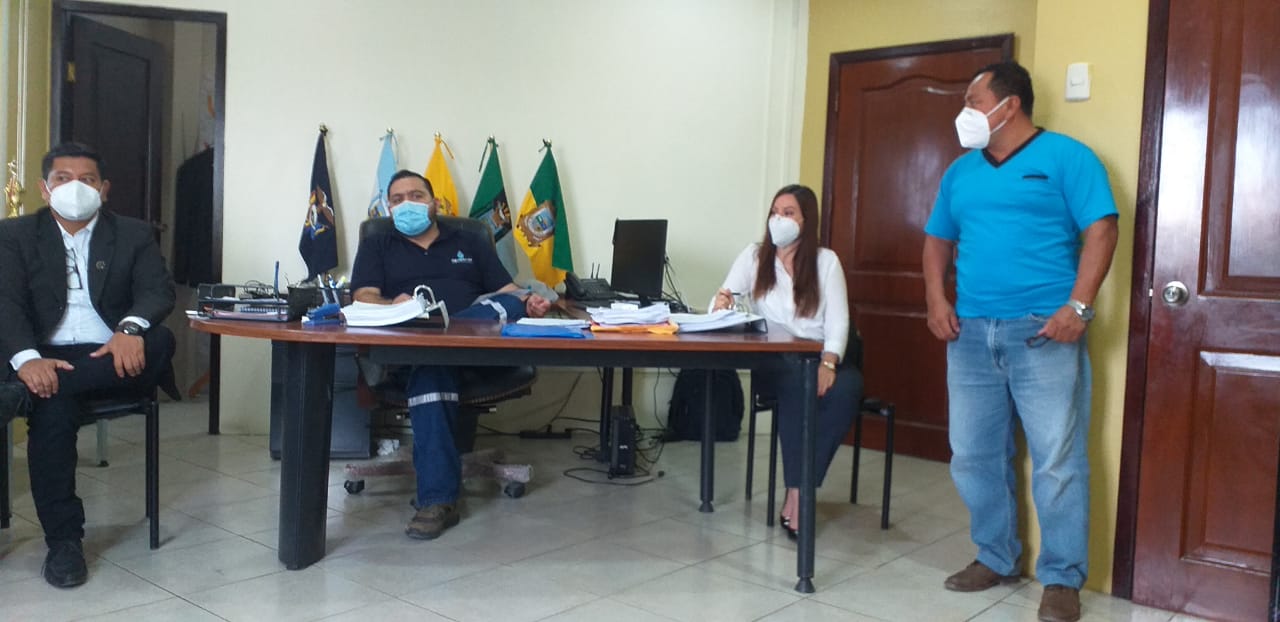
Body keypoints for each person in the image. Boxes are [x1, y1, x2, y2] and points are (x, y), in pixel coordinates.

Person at [922, 62, 1118, 622]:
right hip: (970, 334)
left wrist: (1078, 307)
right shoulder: (960, 171)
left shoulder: (1067, 157)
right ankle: (996, 556)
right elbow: (937, 240)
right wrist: (936, 300)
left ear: (1010, 105)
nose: (964, 110)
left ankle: (1062, 578)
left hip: (1042, 333)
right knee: (973, 454)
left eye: (973, 100)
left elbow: (1102, 229)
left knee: (1057, 460)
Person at [0, 142, 176, 588]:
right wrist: (28, 360)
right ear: (44, 188)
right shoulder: (15, 235)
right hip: (45, 355)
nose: (75, 187)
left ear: (104, 189)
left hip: (113, 357)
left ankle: (27, 392)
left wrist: (130, 329)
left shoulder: (133, 234)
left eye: (87, 179)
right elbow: (6, 302)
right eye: (62, 178)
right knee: (52, 409)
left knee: (161, 340)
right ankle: (64, 544)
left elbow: (157, 291)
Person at [349, 170, 549, 541]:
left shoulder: (469, 241)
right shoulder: (378, 244)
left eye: (416, 195)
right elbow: (363, 297)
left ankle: (448, 334)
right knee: (431, 365)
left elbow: (508, 292)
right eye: (397, 199)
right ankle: (437, 501)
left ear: (435, 203)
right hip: (410, 354)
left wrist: (529, 301)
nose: (407, 204)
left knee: (509, 304)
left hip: (477, 354)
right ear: (388, 208)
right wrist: (394, 304)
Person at [711, 184, 861, 539]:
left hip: (820, 355)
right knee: (798, 387)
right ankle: (800, 494)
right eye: (775, 212)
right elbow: (721, 301)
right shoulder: (754, 257)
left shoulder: (826, 262)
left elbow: (839, 320)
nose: (778, 219)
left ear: (806, 220)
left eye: (789, 213)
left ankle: (800, 486)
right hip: (775, 358)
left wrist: (829, 363)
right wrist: (721, 303)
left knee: (848, 389)